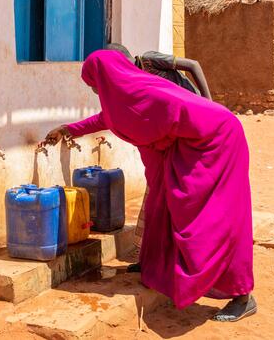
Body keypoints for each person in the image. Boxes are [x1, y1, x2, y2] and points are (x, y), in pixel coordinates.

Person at [44, 50, 256, 322]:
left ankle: (241, 295)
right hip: (187, 147)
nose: (96, 91)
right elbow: (107, 119)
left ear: (106, 77)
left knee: (213, 218)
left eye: (94, 84)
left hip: (215, 143)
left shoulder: (149, 93)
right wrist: (68, 129)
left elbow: (194, 115)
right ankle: (155, 267)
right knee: (161, 205)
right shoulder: (123, 96)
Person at [103, 43, 212, 274]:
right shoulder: (130, 82)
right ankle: (150, 258)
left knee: (176, 199)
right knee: (156, 201)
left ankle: (181, 261)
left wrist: (207, 101)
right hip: (173, 134)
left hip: (191, 119)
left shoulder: (149, 60)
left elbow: (193, 65)